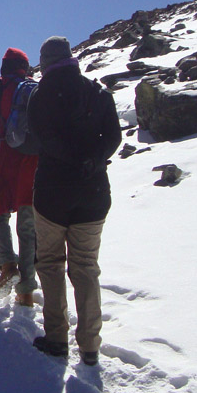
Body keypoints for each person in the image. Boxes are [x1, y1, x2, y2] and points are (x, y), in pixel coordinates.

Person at [27, 36, 122, 366]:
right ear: (70, 58)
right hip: (93, 193)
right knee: (85, 269)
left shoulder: (40, 96)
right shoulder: (97, 93)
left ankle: (56, 339)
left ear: (46, 61)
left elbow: (37, 139)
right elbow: (113, 138)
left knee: (51, 265)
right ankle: (90, 346)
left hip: (52, 195)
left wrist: (67, 159)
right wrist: (92, 161)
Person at [0, 48, 39, 306]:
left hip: (6, 155)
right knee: (27, 223)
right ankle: (25, 292)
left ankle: (8, 265)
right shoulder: (34, 88)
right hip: (32, 160)